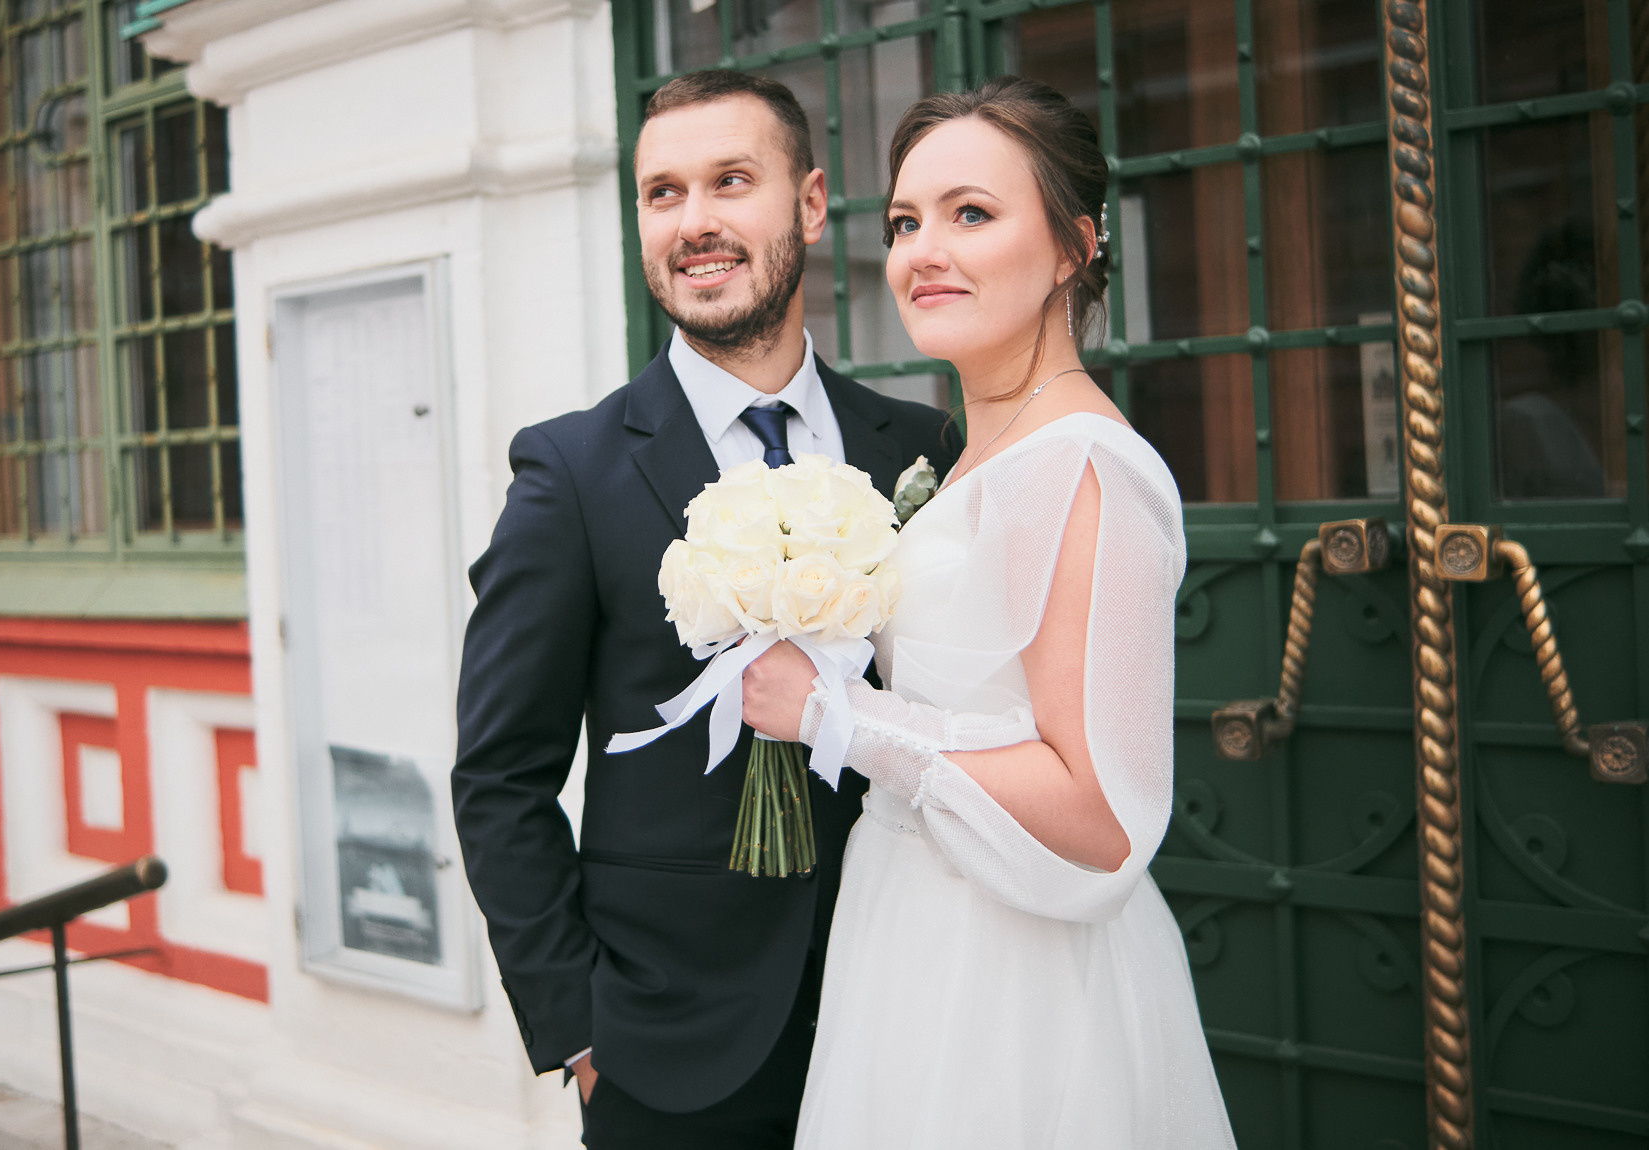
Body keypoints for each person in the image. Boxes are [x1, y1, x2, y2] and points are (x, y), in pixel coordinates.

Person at [452, 68, 961, 1148]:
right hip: (667, 1049)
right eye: (662, 193)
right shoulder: (571, 471)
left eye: (730, 181)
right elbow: (500, 775)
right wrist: (578, 1027)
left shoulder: (918, 448)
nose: (695, 223)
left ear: (811, 204)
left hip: (905, 1006)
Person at [741, 76, 1237, 1148]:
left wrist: (838, 716)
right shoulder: (974, 455)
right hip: (909, 933)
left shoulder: (1084, 465)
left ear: (1072, 244)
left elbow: (1097, 811)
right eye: (906, 220)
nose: (924, 248)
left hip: (1013, 977)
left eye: (971, 213)